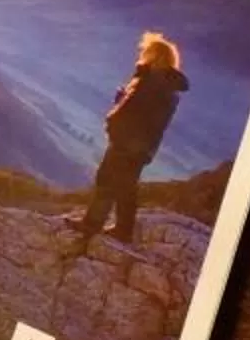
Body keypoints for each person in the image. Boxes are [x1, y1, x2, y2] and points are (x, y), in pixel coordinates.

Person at [74, 32, 189, 240]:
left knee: (107, 179)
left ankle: (92, 224)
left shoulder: (151, 80)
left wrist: (113, 121)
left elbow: (133, 111)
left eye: (146, 52)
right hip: (143, 146)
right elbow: (147, 115)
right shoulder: (167, 87)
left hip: (127, 141)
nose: (142, 55)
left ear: (155, 56)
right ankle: (123, 230)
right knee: (126, 185)